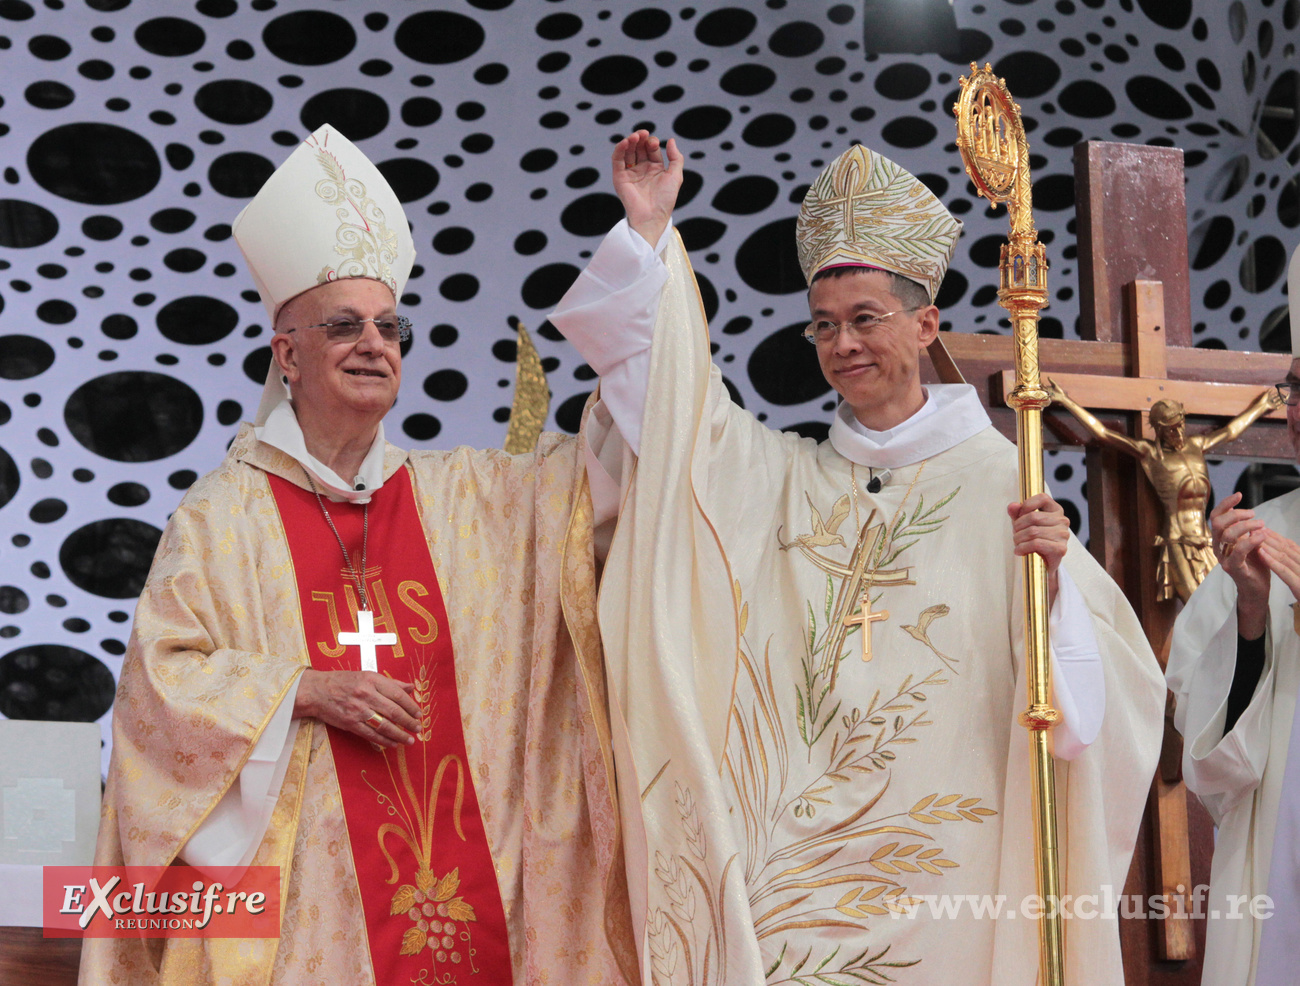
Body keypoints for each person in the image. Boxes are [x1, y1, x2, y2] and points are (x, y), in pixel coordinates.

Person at [550, 133, 1165, 984]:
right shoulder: (781, 479)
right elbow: (678, 418)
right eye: (825, 326)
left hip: (951, 874)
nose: (843, 343)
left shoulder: (1003, 485)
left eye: (866, 320)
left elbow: (1089, 719)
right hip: (791, 889)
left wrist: (1055, 587)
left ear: (925, 322)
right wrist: (650, 229)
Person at [81, 125, 636, 985]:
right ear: (287, 354)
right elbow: (161, 685)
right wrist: (299, 688)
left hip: (469, 889)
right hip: (311, 908)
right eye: (344, 326)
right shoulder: (224, 518)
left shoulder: (469, 500)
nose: (375, 343)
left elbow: (609, 470)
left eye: (389, 326)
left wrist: (639, 247)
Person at [1166, 245, 1300, 986]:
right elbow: (1215, 762)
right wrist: (1251, 613)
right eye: (1295, 388)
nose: (1296, 412)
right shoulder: (1262, 537)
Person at [1047, 381, 1282, 601]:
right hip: (1178, 542)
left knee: (1222, 603)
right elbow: (1103, 433)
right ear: (1159, 430)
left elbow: (1230, 432)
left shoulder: (1196, 445)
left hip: (1207, 541)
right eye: (1171, 430)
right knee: (1199, 604)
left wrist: (1261, 407)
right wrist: (1067, 402)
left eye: (1180, 426)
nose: (1178, 434)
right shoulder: (1150, 453)